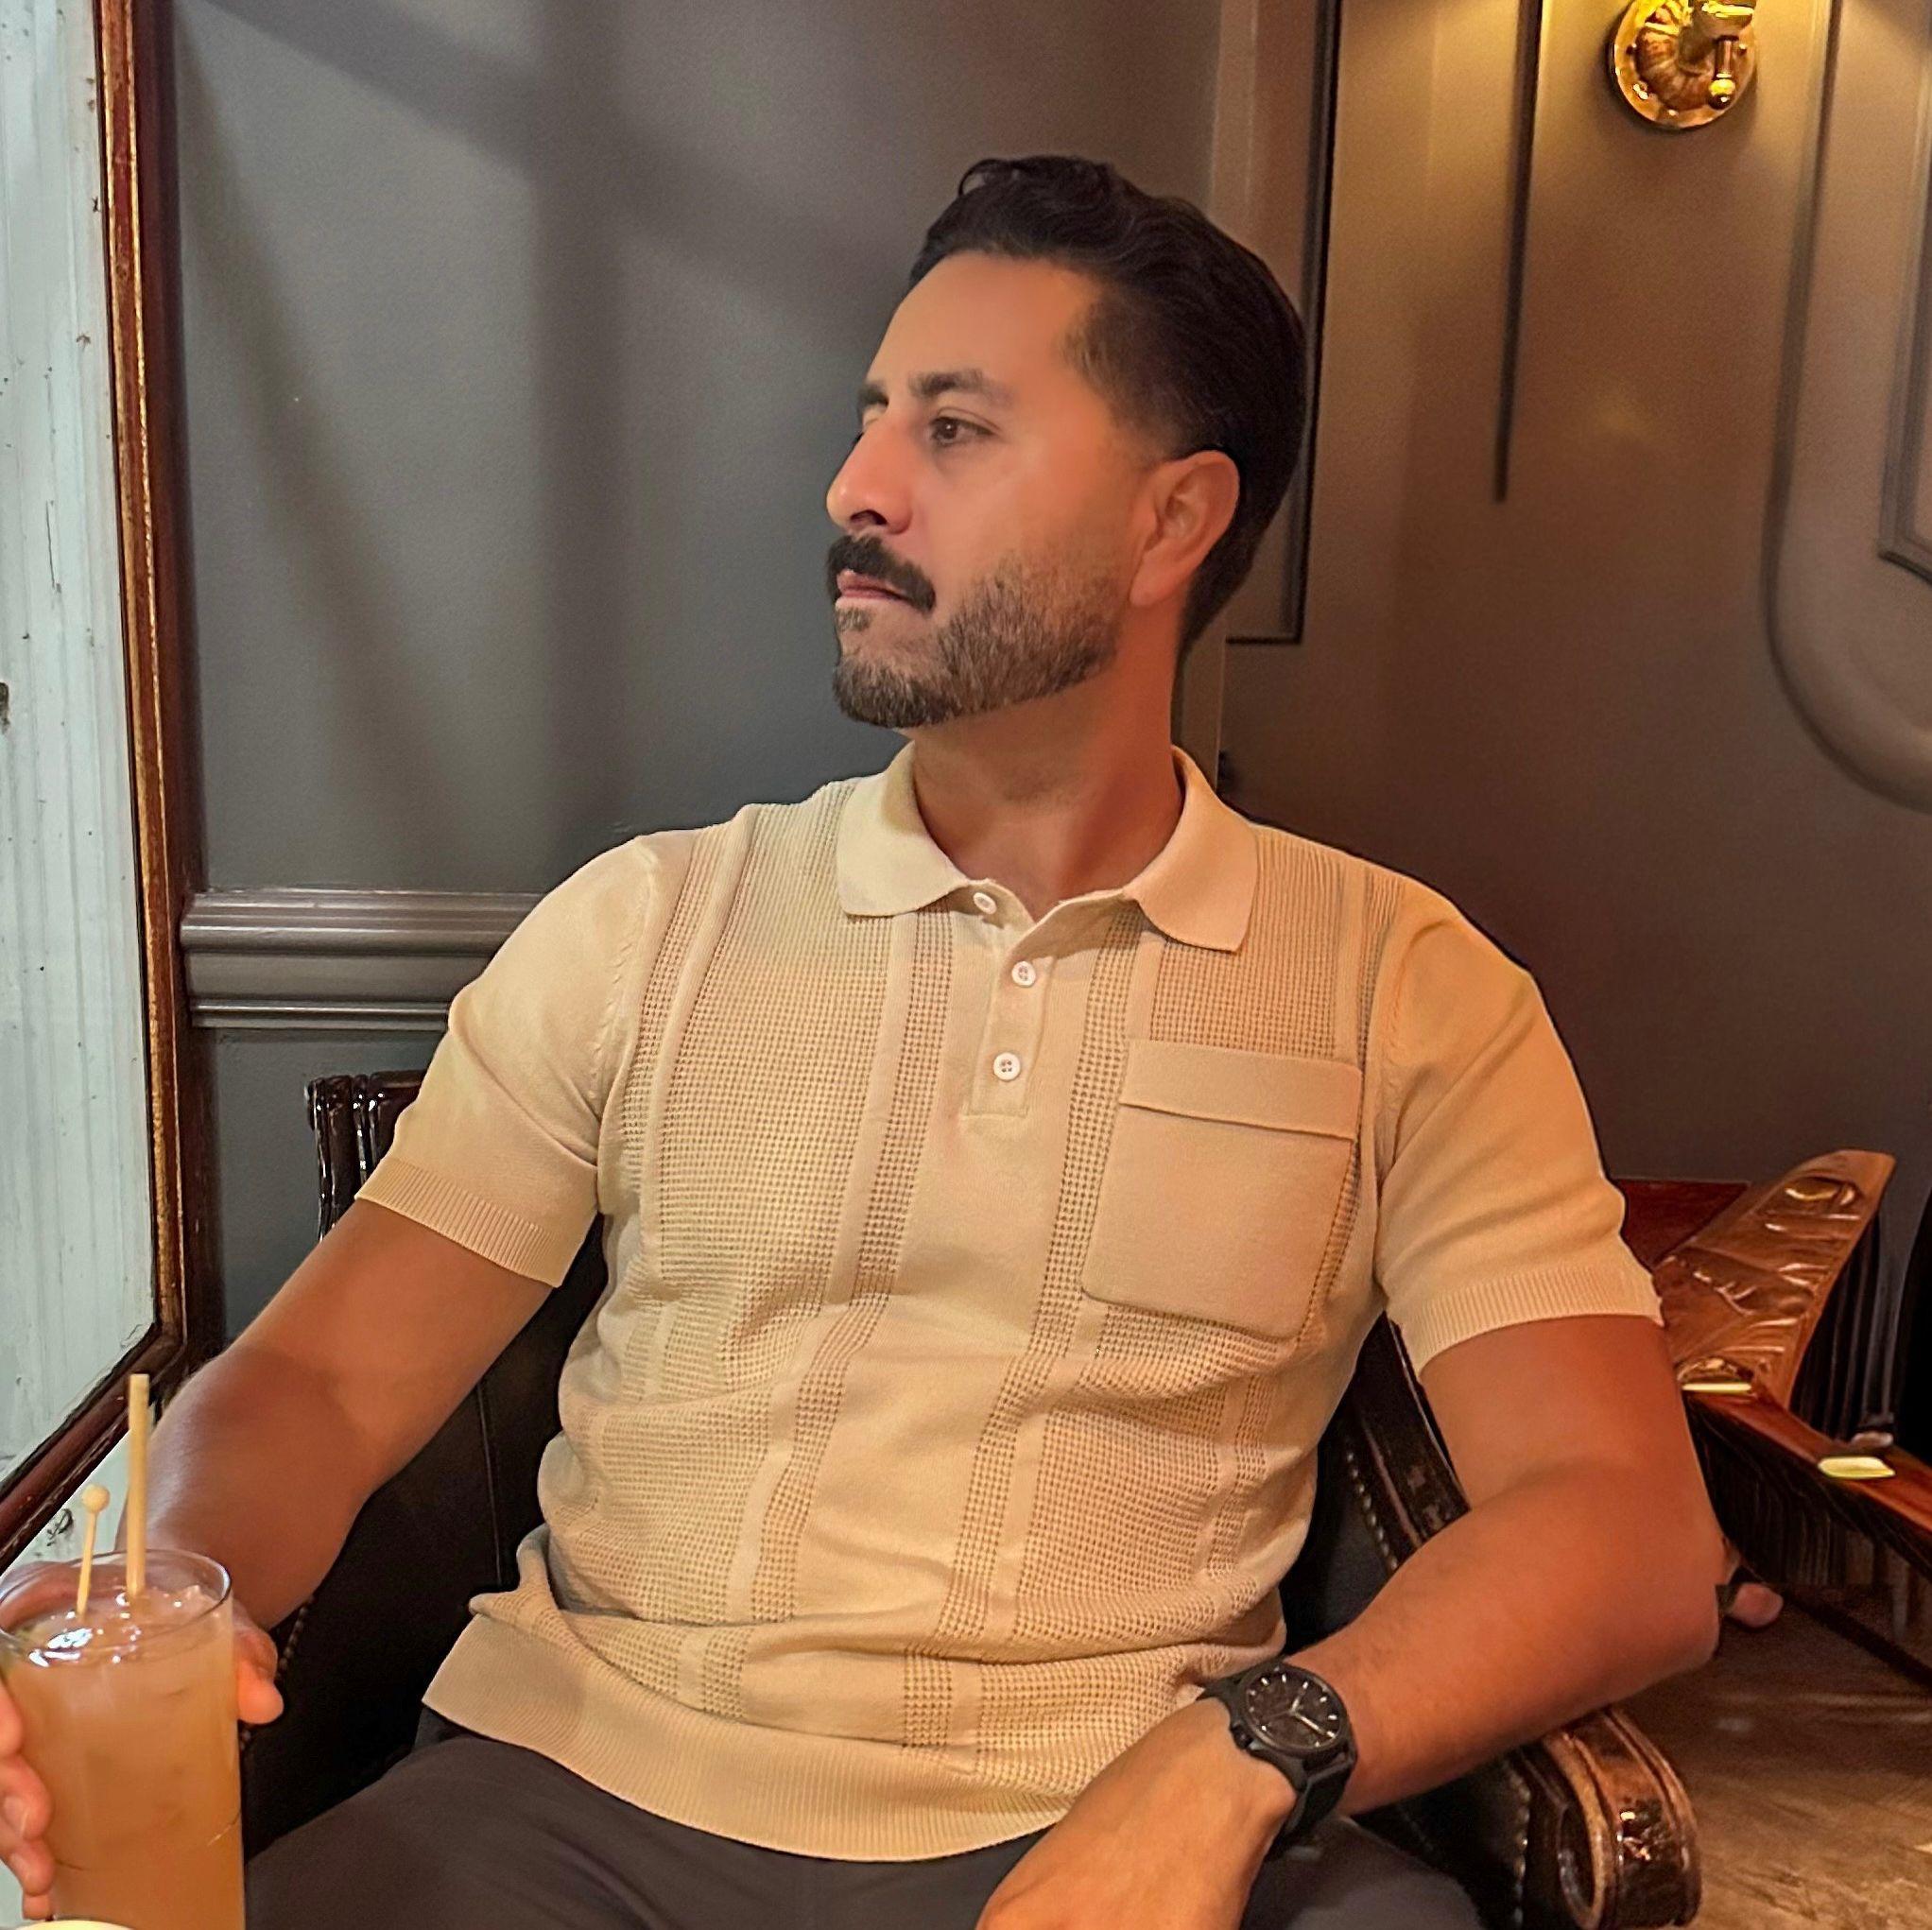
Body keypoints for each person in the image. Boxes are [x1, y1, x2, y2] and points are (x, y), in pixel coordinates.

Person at [0, 155, 1725, 1930]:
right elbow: (324, 1381)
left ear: (1173, 521)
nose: (856, 487)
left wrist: (1238, 1760)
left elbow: (1627, 1523)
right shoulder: (649, 922)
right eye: (872, 417)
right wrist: (165, 1580)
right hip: (571, 1797)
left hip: (1122, 1825)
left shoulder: (1404, 987)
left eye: (954, 430)